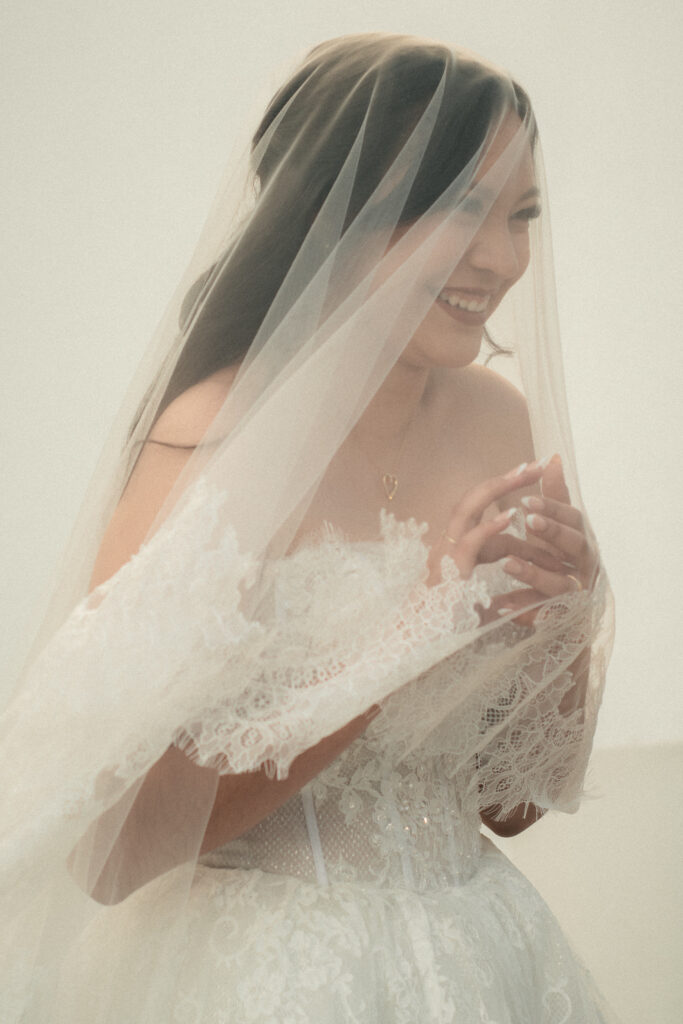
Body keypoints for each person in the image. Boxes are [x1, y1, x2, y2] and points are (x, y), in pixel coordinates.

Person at [0, 33, 616, 1022]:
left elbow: (509, 806)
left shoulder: (497, 419)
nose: (502, 257)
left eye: (521, 215)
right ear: (340, 206)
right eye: (462, 203)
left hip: (481, 960)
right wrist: (407, 644)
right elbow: (109, 850)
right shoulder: (211, 442)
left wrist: (556, 626)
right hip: (261, 977)